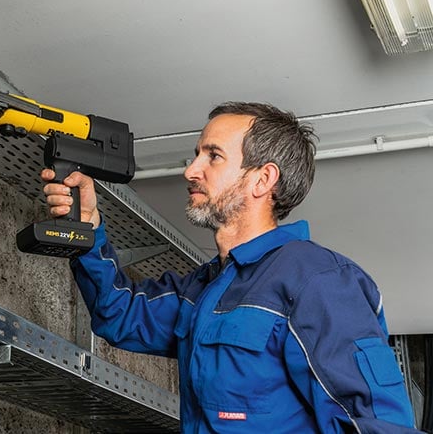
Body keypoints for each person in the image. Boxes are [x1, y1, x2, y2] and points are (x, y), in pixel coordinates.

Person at [41, 102, 417, 433]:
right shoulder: (205, 288)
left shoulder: (318, 280)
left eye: (213, 156)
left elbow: (375, 423)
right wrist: (88, 227)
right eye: (197, 155)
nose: (191, 170)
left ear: (262, 179)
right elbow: (119, 313)